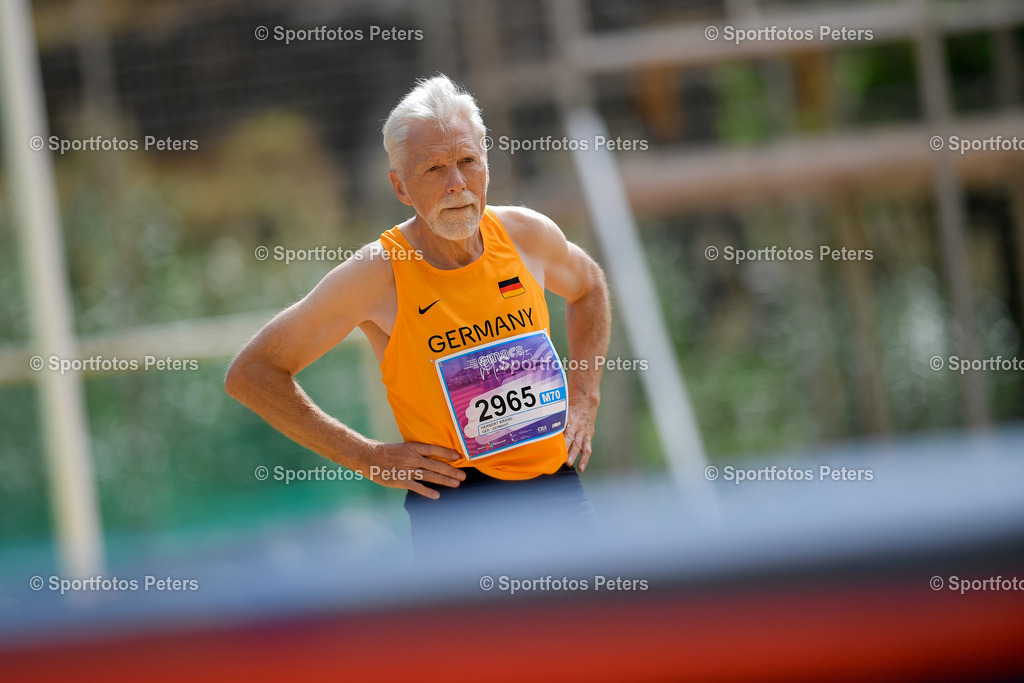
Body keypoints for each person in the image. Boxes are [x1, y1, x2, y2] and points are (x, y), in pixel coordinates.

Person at [225, 75, 611, 562]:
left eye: (467, 161)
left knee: (602, 637)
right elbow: (253, 373)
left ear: (486, 163)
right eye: (433, 169)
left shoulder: (527, 236)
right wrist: (367, 457)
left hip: (557, 492)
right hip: (458, 512)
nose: (457, 183)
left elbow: (590, 285)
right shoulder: (377, 274)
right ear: (400, 186)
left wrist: (585, 395)